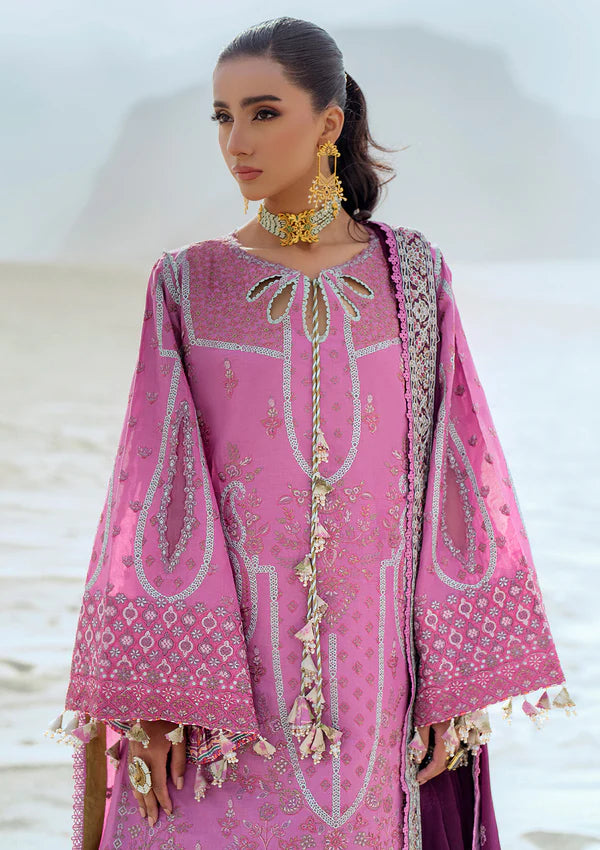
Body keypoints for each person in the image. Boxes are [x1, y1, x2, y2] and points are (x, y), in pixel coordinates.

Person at [44, 16, 576, 850]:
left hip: (380, 683)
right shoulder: (188, 284)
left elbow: (456, 474)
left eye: (263, 113)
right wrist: (157, 698)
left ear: (328, 123)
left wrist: (454, 686)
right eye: (222, 117)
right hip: (223, 692)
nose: (236, 141)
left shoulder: (415, 274)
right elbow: (155, 488)